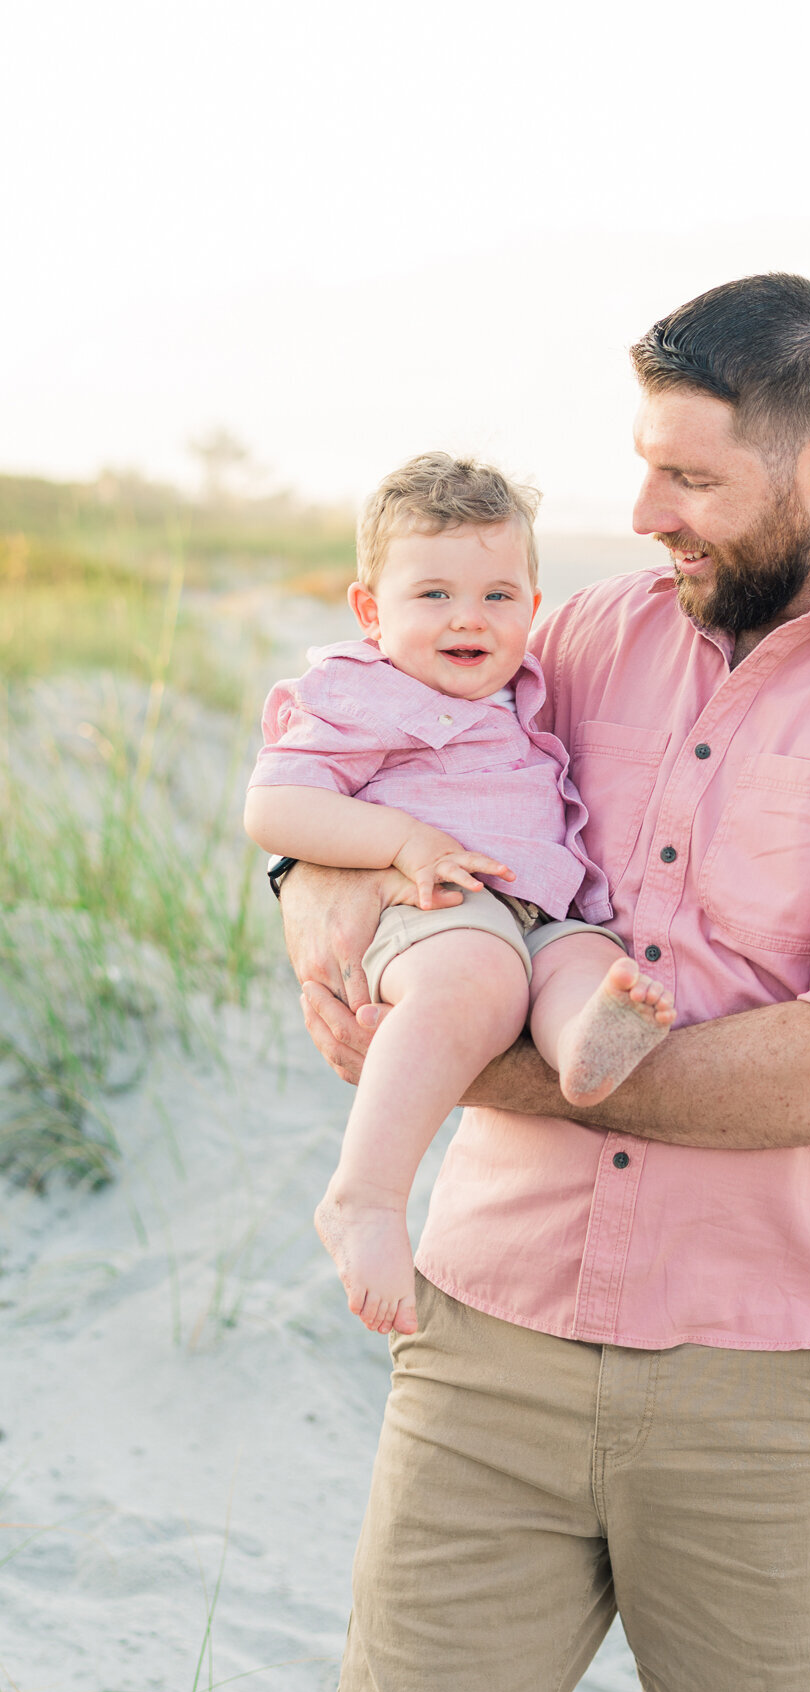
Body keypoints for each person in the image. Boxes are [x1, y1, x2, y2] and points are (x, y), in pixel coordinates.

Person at [279, 273, 810, 1692]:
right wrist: (310, 903)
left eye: (691, 476)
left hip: (765, 1385)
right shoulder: (583, 635)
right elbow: (372, 776)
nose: (646, 510)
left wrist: (465, 1061)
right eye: (644, 465)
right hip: (484, 1336)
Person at [244, 454, 675, 1336]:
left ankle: (583, 1047)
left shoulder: (526, 690)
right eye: (433, 595)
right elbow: (274, 806)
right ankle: (364, 1196)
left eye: (497, 596)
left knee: (590, 963)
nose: (467, 619)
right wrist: (398, 843)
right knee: (478, 978)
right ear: (371, 611)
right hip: (434, 908)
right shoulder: (359, 693)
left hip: (544, 902)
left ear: (534, 607)